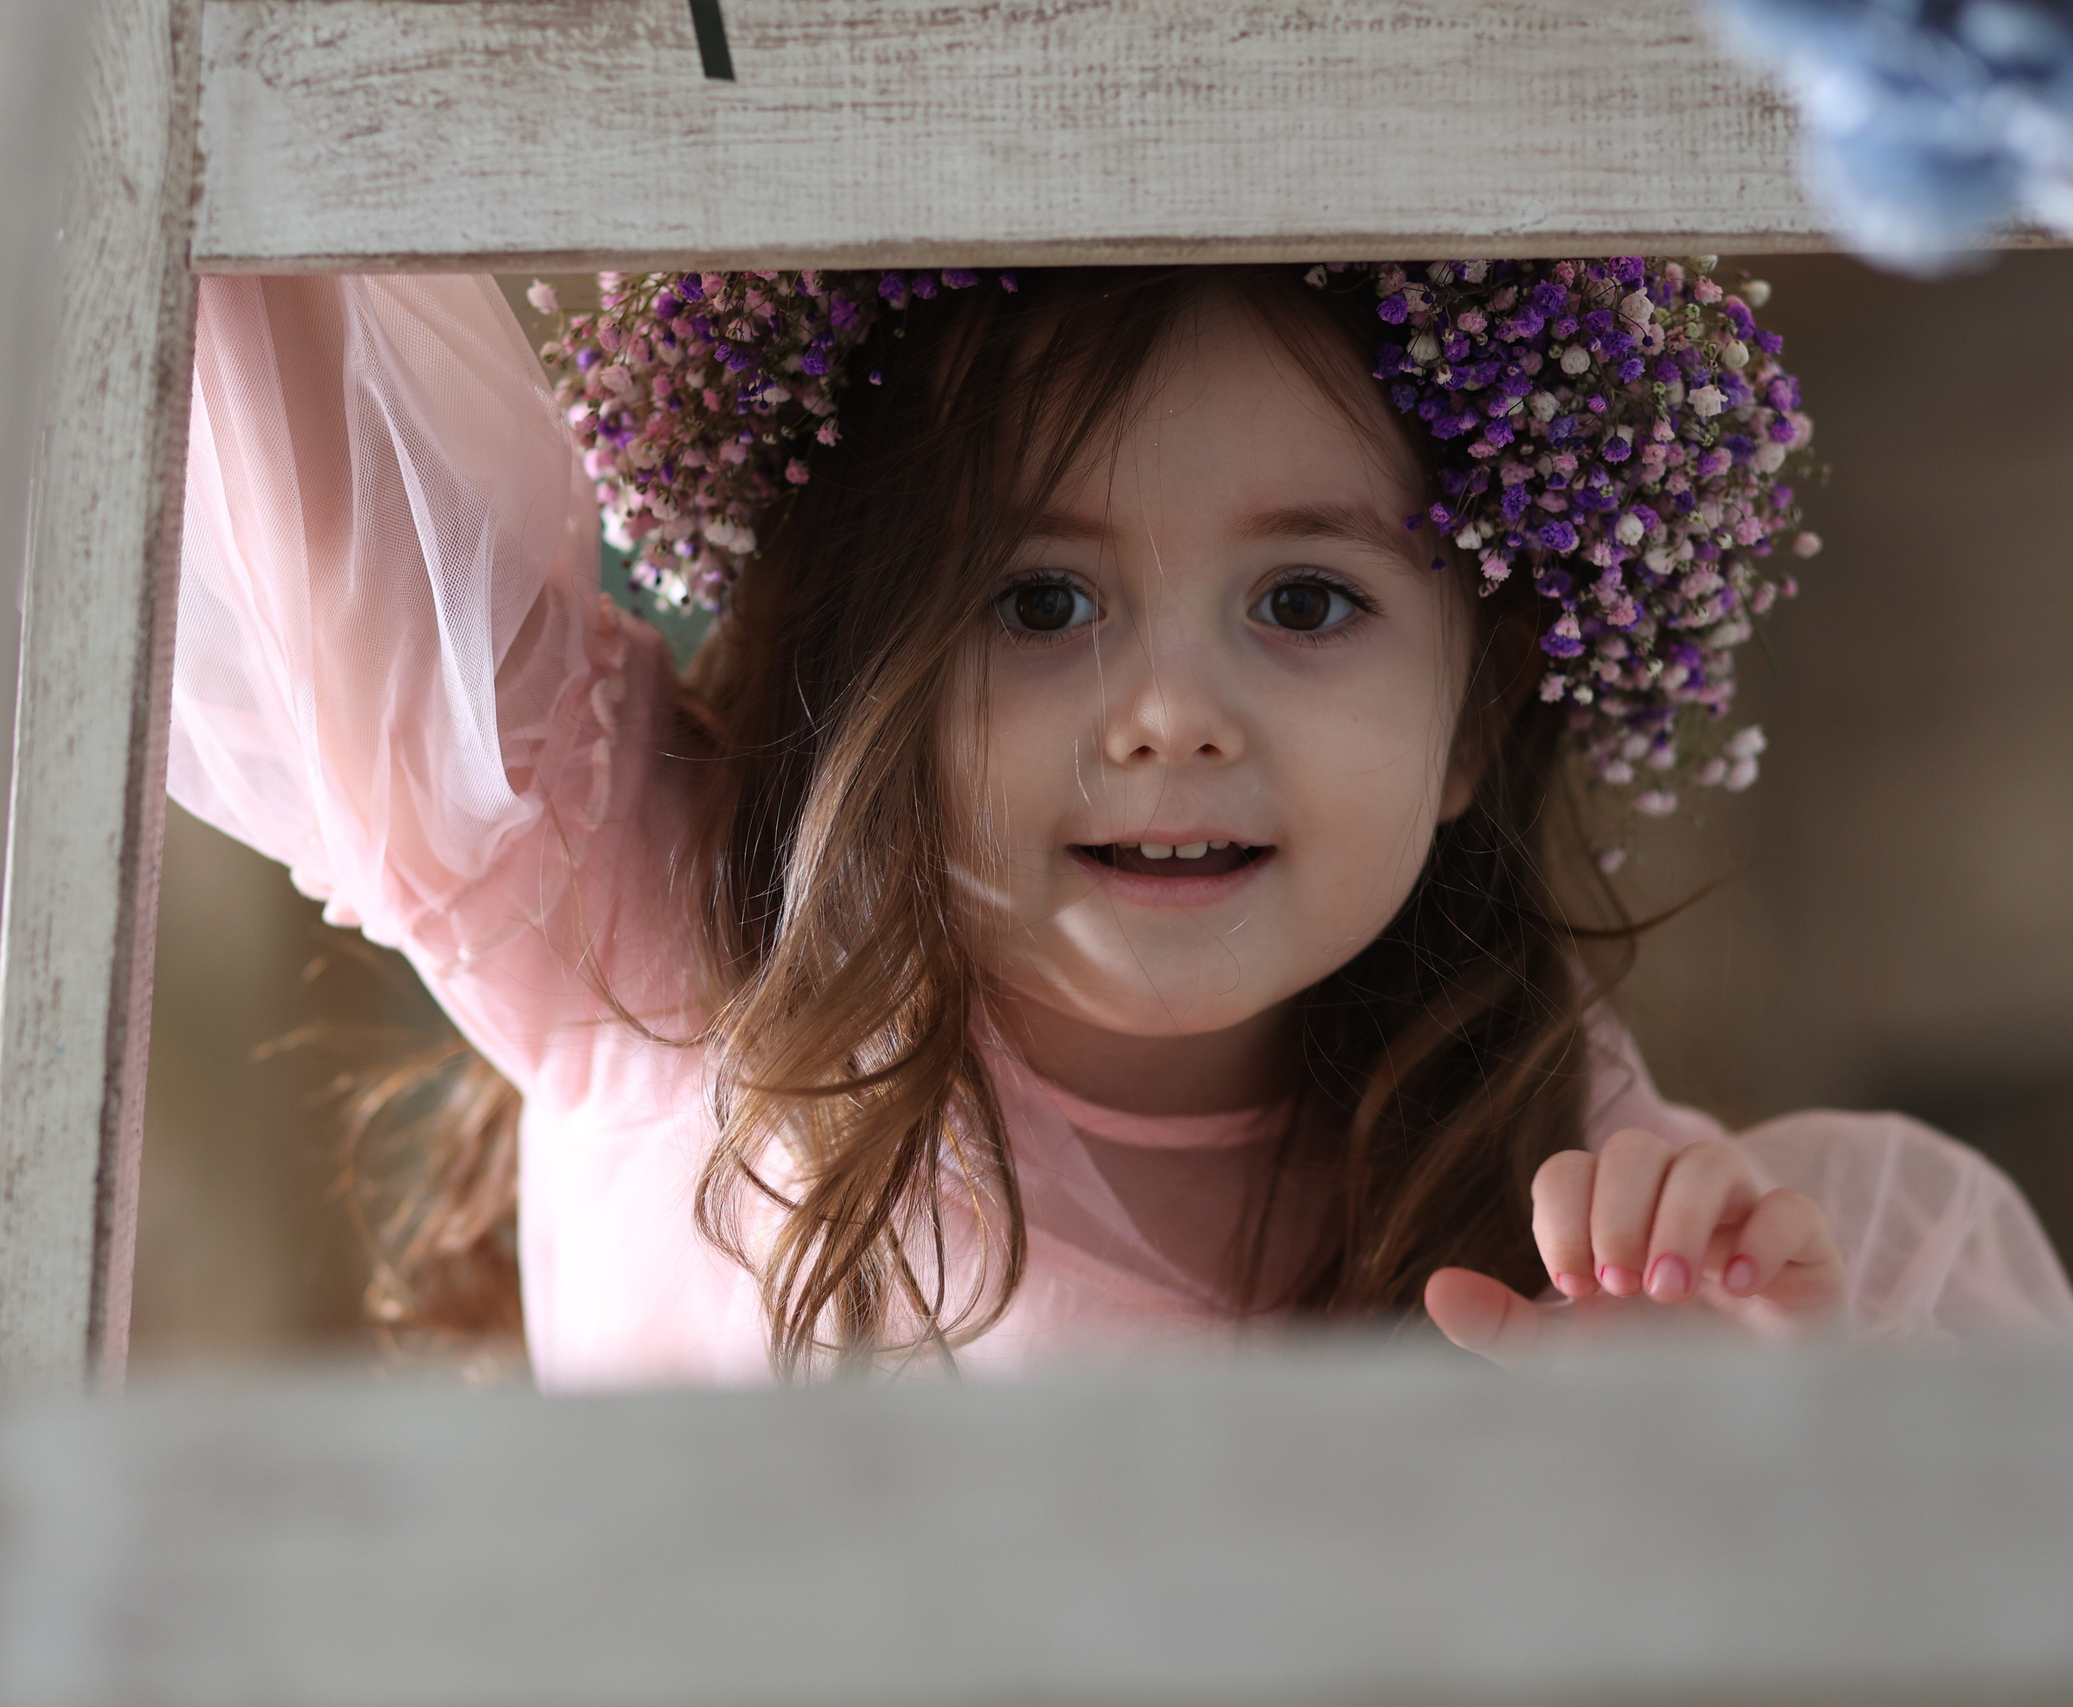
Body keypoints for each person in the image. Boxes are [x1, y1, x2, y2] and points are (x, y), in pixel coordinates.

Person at [167, 261, 2073, 1387]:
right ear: (858, 670)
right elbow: (323, 457)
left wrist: (1714, 1439)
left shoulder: (1541, 1129)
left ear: (1479, 719)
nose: (1171, 718)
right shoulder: (659, 919)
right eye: (1040, 604)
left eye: (1306, 603)